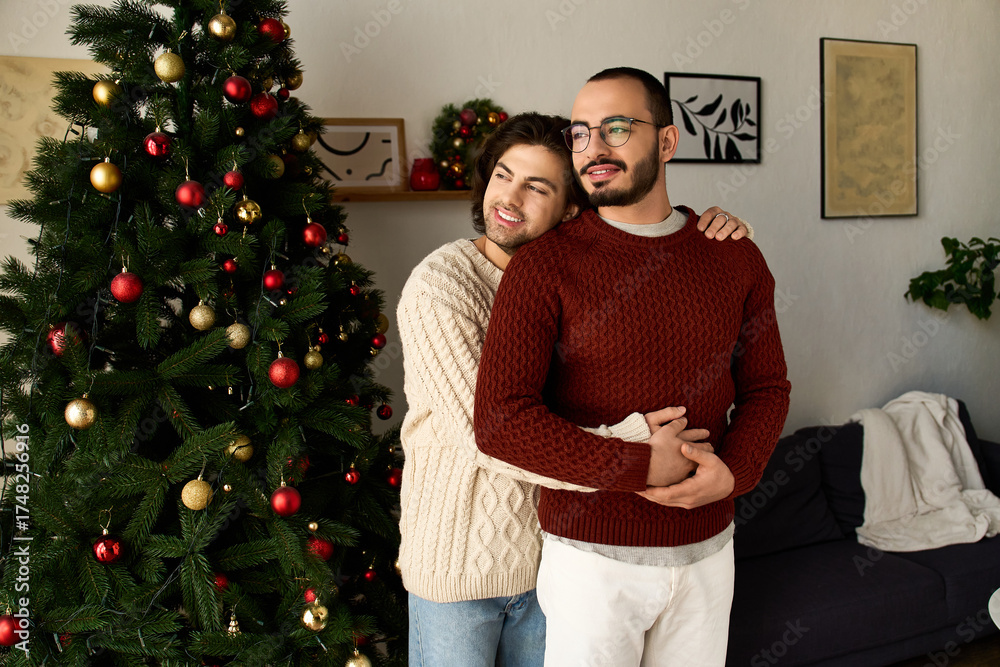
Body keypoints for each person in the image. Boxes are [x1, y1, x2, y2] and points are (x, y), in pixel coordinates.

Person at [397, 112, 753, 666]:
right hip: (459, 567)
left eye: (536, 187)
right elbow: (489, 434)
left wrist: (698, 228)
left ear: (570, 208)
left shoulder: (572, 281)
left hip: (553, 560)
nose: (509, 197)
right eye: (502, 175)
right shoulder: (441, 287)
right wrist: (639, 452)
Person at [474, 68, 791, 666]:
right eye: (581, 133)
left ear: (666, 141)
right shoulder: (543, 267)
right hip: (591, 565)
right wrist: (641, 464)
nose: (594, 148)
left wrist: (736, 473)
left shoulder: (735, 256)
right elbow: (500, 421)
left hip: (708, 554)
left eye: (617, 128)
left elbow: (767, 388)